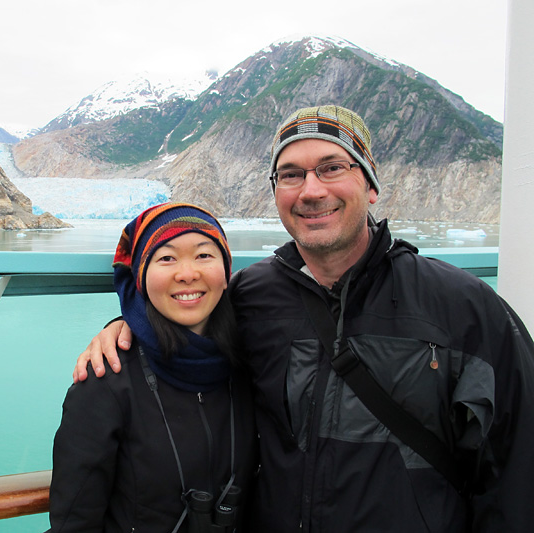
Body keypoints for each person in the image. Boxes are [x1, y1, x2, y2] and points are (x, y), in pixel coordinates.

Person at [75, 105, 534, 531]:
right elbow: (186, 319)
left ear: (371, 184)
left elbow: (516, 465)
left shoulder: (463, 306)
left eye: (333, 167)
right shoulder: (251, 297)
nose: (312, 190)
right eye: (291, 174)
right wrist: (124, 327)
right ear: (276, 193)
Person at [48, 203, 257, 532]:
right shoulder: (107, 378)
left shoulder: (252, 362)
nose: (187, 273)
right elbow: (75, 522)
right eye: (167, 258)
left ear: (226, 270)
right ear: (142, 276)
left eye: (204, 255)